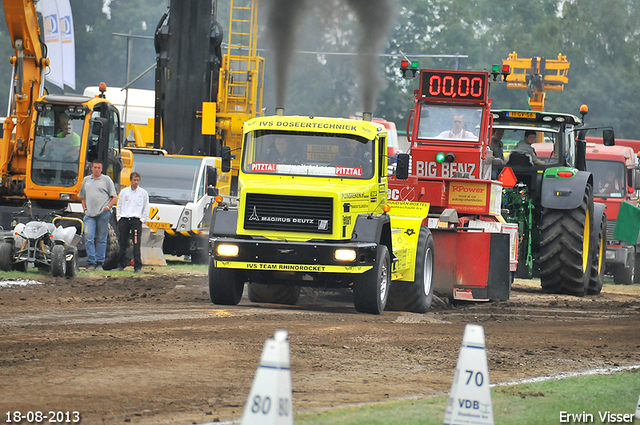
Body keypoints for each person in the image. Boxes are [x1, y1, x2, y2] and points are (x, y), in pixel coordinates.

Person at [79, 160, 117, 271]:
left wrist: (108, 207)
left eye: (98, 168)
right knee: (88, 237)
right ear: (91, 168)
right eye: (94, 167)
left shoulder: (106, 180)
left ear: (101, 169)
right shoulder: (86, 180)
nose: (96, 169)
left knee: (102, 238)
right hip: (89, 214)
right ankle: (91, 261)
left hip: (103, 214)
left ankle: (100, 262)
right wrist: (85, 208)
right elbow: (82, 197)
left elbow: (114, 197)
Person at [116, 171, 150, 272]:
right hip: (125, 219)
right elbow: (119, 205)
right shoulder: (124, 192)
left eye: (137, 180)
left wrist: (142, 220)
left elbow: (146, 207)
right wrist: (119, 218)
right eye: (134, 180)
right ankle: (121, 265)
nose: (136, 182)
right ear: (130, 180)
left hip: (136, 220)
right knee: (123, 242)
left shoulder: (143, 193)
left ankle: (138, 266)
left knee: (136, 243)